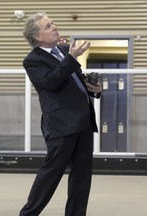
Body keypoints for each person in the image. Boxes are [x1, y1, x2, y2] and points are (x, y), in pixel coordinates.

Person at [19, 12, 102, 216]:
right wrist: (71, 58)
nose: (54, 27)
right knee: (51, 174)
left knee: (82, 176)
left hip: (83, 121)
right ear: (37, 37)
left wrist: (95, 89)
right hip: (61, 125)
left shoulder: (64, 50)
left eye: (53, 23)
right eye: (48, 26)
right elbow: (51, 81)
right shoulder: (33, 60)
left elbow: (75, 81)